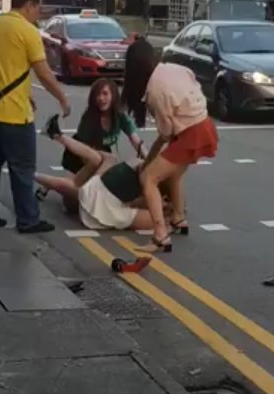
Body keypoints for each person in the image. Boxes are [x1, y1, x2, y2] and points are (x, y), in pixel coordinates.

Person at [0, 0, 71, 233]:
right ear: (29, 5)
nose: (39, 14)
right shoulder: (27, 31)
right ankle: (28, 219)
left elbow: (2, 67)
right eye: (38, 8)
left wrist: (27, 95)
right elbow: (44, 73)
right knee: (22, 169)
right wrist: (62, 98)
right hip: (14, 115)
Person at [122, 38, 218, 253]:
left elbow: (165, 133)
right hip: (205, 124)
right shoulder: (175, 68)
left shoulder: (154, 90)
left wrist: (149, 162)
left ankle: (160, 236)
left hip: (190, 133)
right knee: (173, 174)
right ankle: (178, 217)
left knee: (149, 179)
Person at [34, 115, 171, 232]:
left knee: (87, 177)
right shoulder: (93, 120)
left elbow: (137, 143)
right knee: (100, 160)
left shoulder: (147, 212)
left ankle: (34, 172)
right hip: (95, 188)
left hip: (96, 202)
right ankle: (55, 138)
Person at [38, 78, 145, 212]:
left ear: (113, 95)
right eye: (97, 95)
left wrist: (148, 157)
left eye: (105, 94)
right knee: (72, 199)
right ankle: (51, 183)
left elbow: (136, 141)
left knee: (101, 168)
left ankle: (61, 185)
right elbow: (86, 153)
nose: (101, 98)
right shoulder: (89, 118)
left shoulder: (120, 117)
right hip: (79, 154)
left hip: (101, 153)